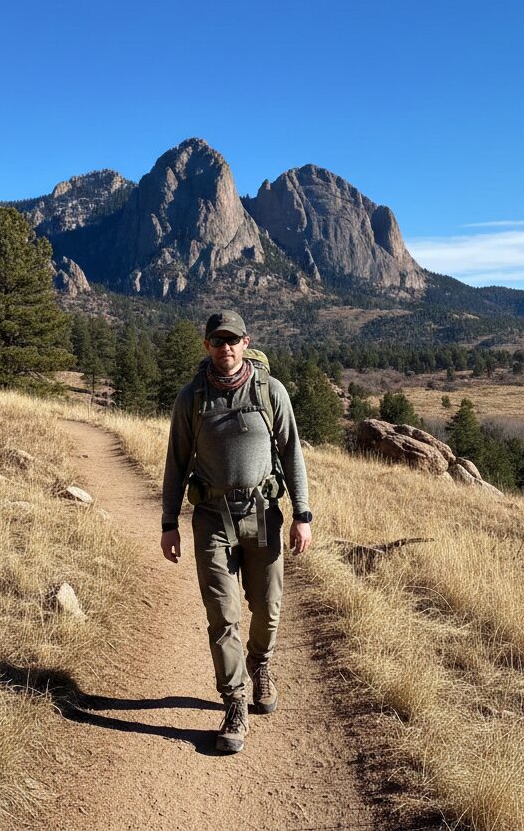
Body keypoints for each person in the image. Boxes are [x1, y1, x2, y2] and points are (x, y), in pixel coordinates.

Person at [160, 309, 312, 753]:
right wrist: (170, 523)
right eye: (217, 341)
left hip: (264, 515)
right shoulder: (192, 398)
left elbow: (292, 455)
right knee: (222, 615)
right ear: (206, 346)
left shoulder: (271, 391)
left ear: (246, 342)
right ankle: (235, 699)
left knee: (267, 606)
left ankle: (259, 665)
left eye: (233, 340)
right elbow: (175, 463)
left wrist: (302, 514)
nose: (225, 348)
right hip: (211, 519)